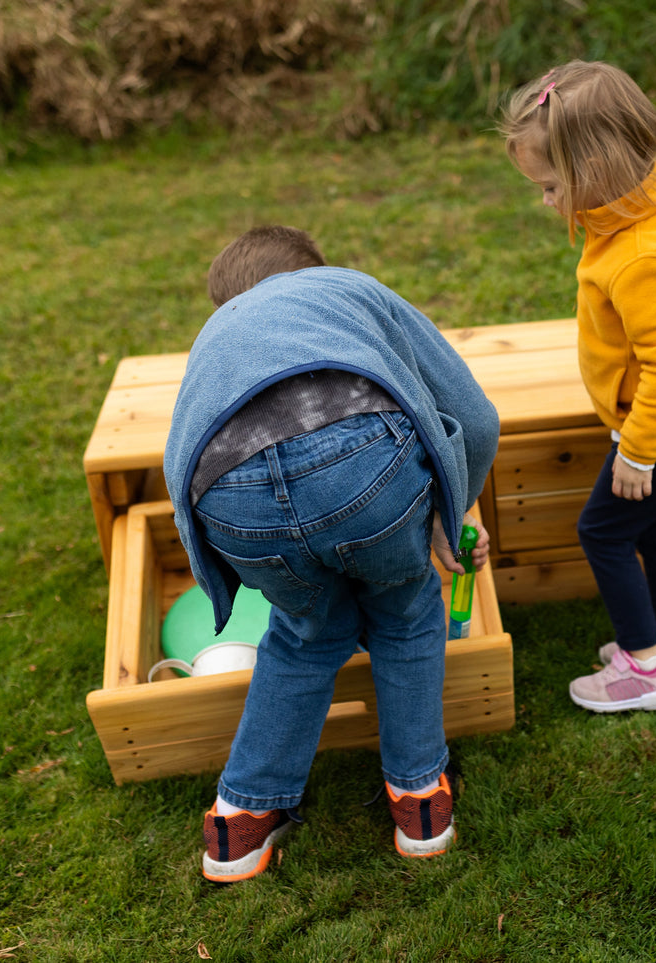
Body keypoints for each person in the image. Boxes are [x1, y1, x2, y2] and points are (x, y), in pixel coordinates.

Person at [164, 226, 500, 882]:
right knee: (405, 612)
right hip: (359, 463)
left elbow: (185, 453)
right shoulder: (348, 290)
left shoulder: (217, 336)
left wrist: (228, 563)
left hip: (229, 494)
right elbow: (475, 417)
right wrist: (448, 511)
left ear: (225, 301)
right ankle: (419, 801)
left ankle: (238, 823)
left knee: (305, 634)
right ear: (313, 270)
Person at [500, 61, 656, 713]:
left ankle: (645, 666)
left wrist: (636, 451)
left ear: (594, 173)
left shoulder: (642, 255)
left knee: (602, 532)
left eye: (550, 187)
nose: (544, 201)